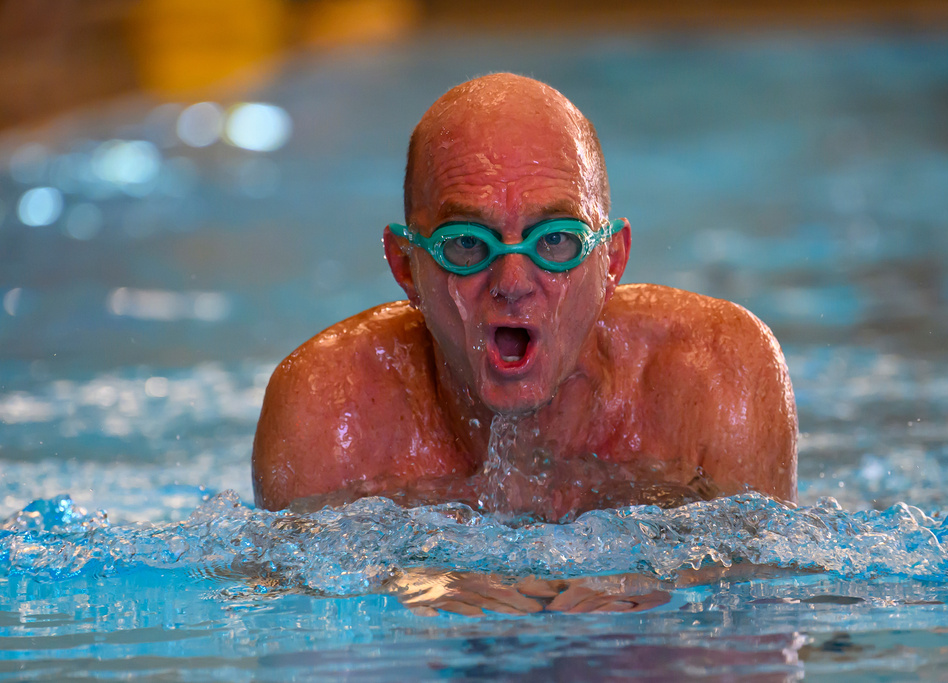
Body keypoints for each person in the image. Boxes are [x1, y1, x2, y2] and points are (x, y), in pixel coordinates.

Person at [252, 72, 797, 524]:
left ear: (612, 260)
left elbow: (757, 620)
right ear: (405, 267)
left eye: (555, 240)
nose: (512, 280)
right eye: (467, 243)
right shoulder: (326, 415)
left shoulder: (718, 383)